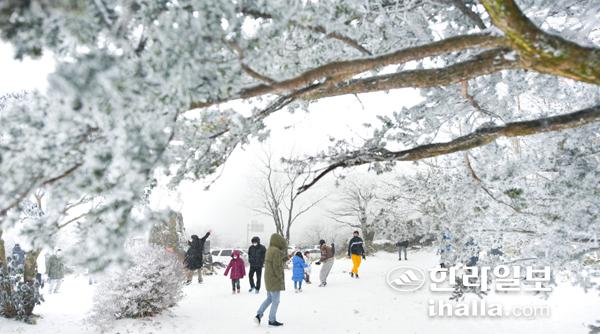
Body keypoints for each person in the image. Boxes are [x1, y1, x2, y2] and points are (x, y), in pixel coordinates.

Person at [255, 233, 288, 327]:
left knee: (269, 298)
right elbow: (277, 266)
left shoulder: (270, 249)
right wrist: (280, 277)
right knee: (276, 301)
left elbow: (277, 261)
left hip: (268, 278)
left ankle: (258, 315)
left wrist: (287, 257)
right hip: (274, 279)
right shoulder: (276, 251)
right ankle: (272, 320)